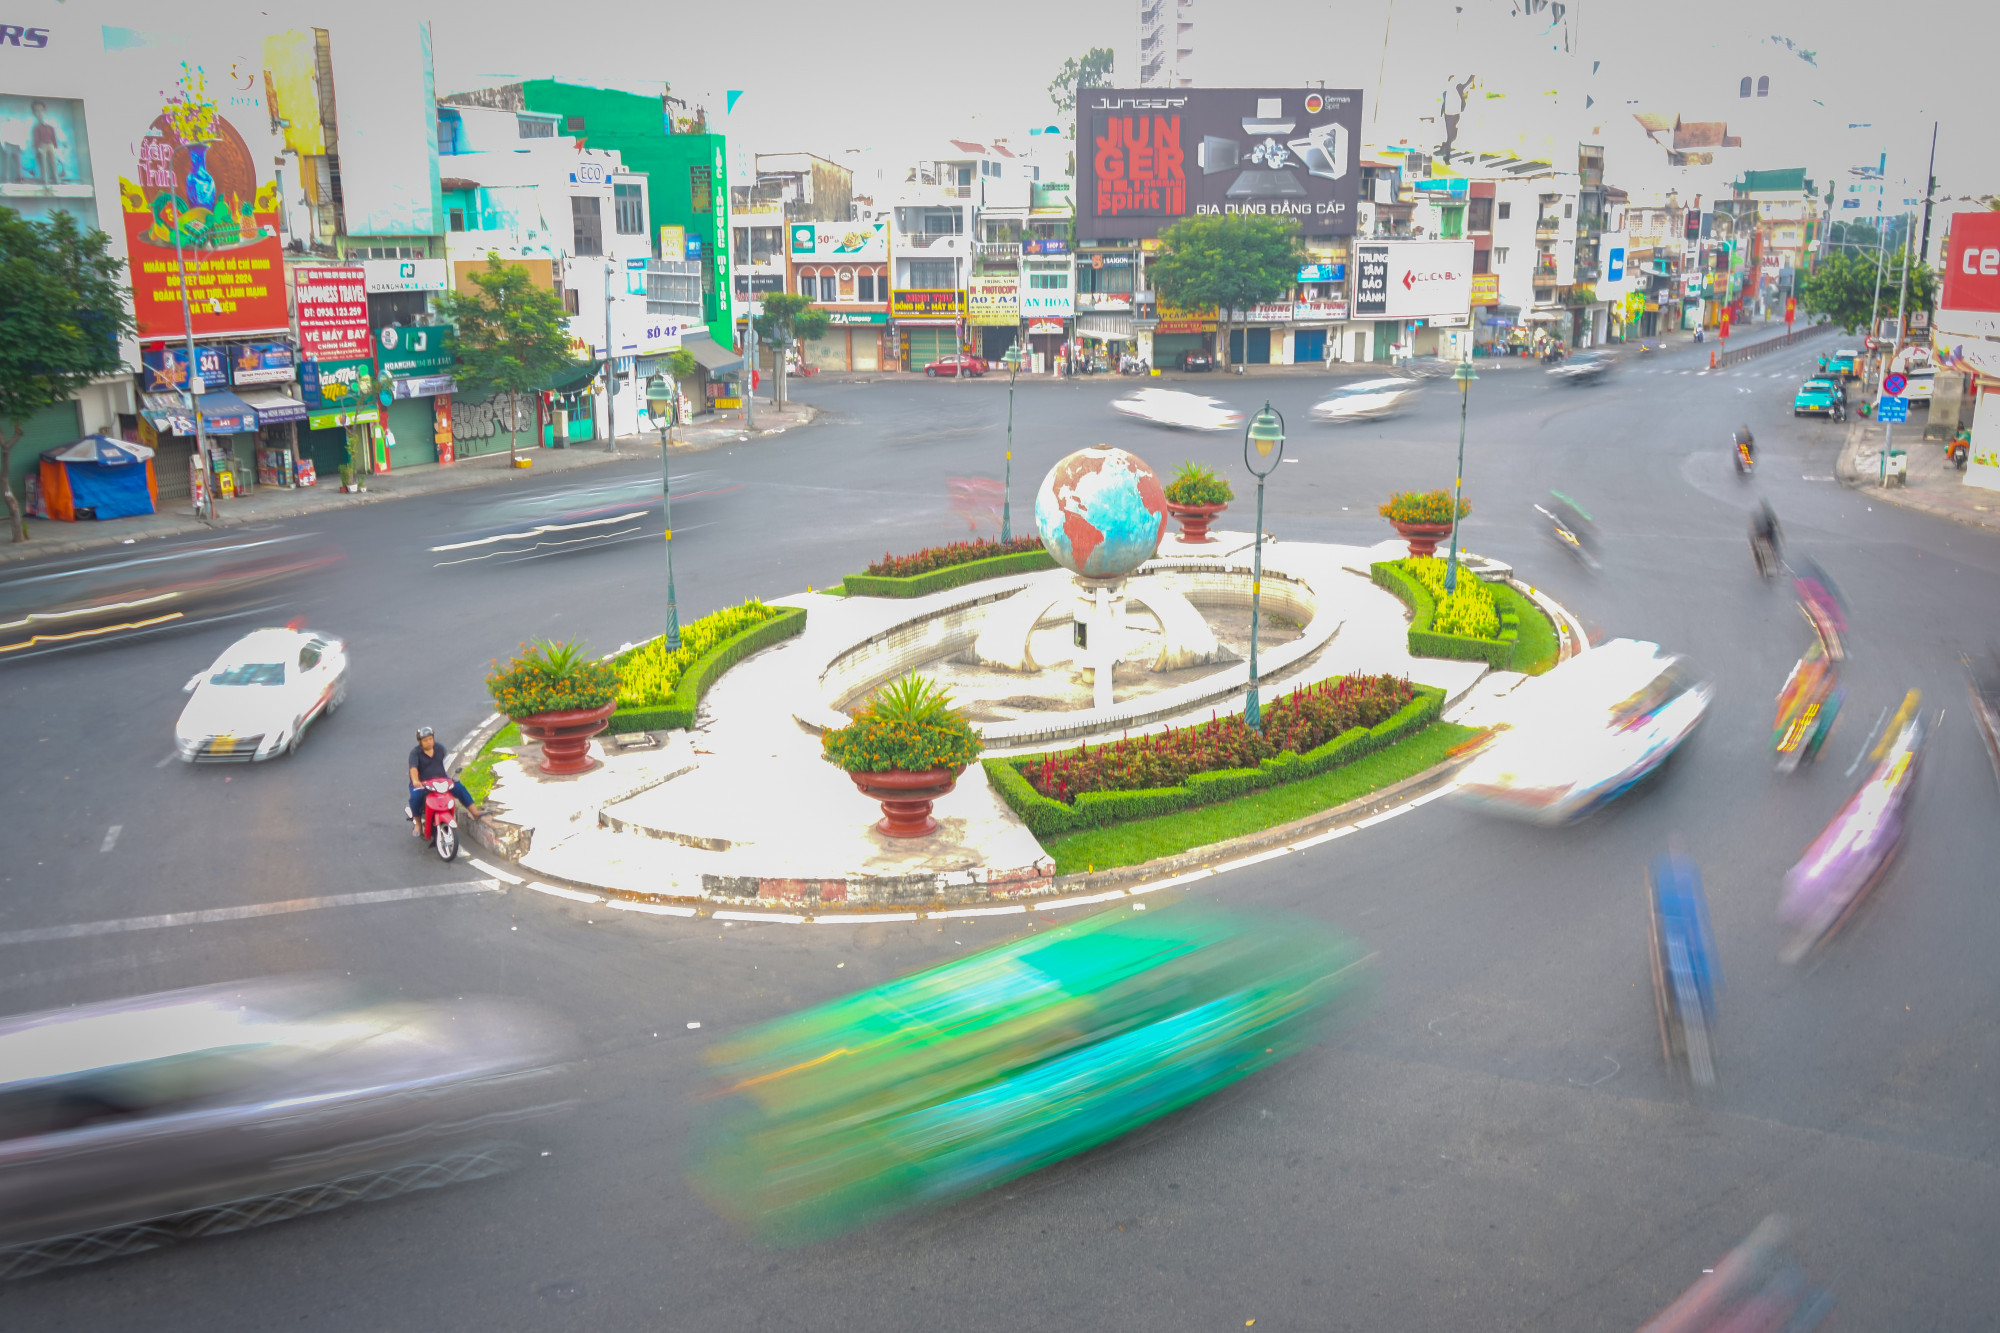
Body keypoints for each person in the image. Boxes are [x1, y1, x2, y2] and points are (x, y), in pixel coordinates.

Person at [408, 726, 478, 832]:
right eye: (425, 740)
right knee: (415, 797)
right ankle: (417, 824)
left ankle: (475, 813)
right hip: (422, 783)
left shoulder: (439, 748)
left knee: (459, 788)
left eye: (430, 739)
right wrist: (415, 781)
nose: (429, 742)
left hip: (441, 780)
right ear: (420, 742)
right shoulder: (415, 753)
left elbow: (444, 762)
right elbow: (413, 768)